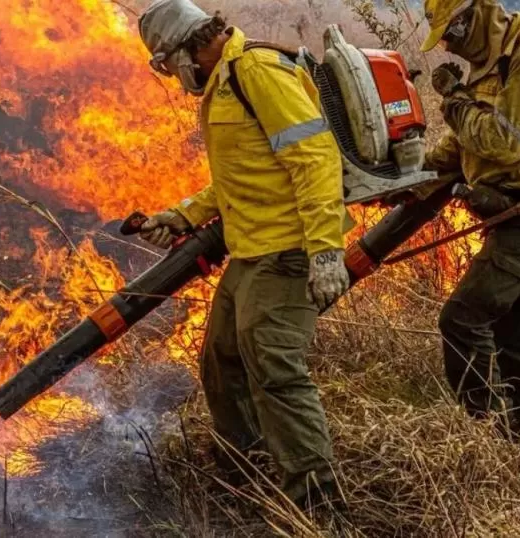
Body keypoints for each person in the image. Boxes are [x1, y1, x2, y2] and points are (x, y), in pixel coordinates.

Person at [136, 0, 350, 511]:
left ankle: (319, 505)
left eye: (167, 65)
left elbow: (315, 160)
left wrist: (325, 252)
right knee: (221, 362)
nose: (173, 77)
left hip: (288, 250)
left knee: (274, 368)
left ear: (187, 48)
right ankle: (244, 479)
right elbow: (245, 177)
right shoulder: (225, 81)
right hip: (252, 251)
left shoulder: (256, 71)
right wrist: (183, 214)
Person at [420, 0, 520, 445]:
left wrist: (454, 101)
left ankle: (484, 434)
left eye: (451, 36)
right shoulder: (491, 63)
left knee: (462, 319)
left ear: (473, 19)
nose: (449, 48)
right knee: (518, 329)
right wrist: (411, 168)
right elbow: (468, 146)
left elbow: (506, 142)